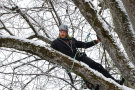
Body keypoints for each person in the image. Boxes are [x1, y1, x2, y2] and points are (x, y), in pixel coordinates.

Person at [51, 24, 125, 88]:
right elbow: (52, 54)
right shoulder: (55, 43)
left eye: (64, 31)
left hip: (80, 57)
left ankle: (115, 81)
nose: (62, 33)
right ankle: (91, 86)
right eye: (61, 31)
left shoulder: (72, 40)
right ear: (59, 32)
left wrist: (97, 41)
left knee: (97, 66)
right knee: (85, 71)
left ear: (67, 33)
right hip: (71, 61)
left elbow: (84, 44)